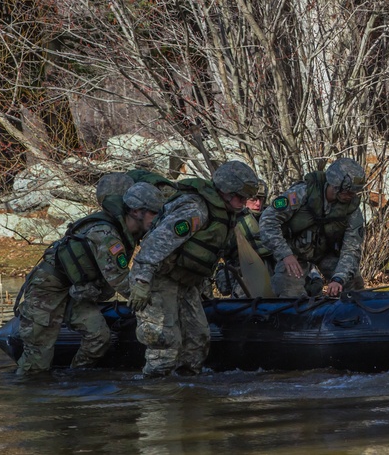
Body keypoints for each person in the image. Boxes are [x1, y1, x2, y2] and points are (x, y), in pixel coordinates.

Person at [15, 182, 165, 376]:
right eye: (154, 214)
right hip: (47, 289)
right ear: (137, 212)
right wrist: (158, 304)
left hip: (77, 291)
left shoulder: (125, 232)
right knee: (36, 359)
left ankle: (74, 378)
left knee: (99, 338)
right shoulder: (106, 235)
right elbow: (120, 281)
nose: (157, 221)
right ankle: (31, 391)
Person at [127, 160, 259, 377]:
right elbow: (156, 243)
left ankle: (187, 397)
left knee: (197, 341)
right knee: (165, 344)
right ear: (225, 191)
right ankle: (156, 399)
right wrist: (141, 280)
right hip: (159, 277)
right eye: (239, 197)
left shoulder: (227, 214)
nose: (243, 202)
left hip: (186, 282)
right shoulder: (195, 209)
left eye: (246, 198)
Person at [258, 158, 367, 299]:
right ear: (334, 185)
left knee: (355, 287)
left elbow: (351, 248)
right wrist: (285, 254)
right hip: (295, 253)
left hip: (326, 254)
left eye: (353, 193)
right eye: (347, 192)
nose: (350, 197)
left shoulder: (352, 210)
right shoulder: (301, 193)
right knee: (289, 292)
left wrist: (339, 278)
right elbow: (268, 221)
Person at [215, 180, 273, 297]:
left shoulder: (273, 218)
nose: (258, 204)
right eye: (253, 199)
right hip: (244, 272)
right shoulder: (229, 220)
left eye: (261, 199)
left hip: (273, 270)